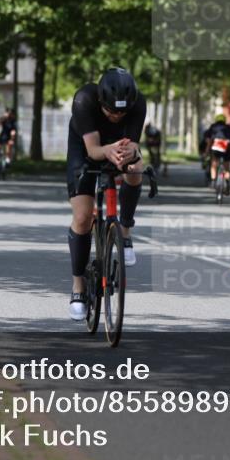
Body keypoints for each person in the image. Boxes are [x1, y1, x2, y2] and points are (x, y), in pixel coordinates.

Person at [65, 67, 147, 321]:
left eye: (121, 113)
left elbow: (134, 146)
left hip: (118, 146)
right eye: (110, 111)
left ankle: (125, 232)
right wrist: (108, 151)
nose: (116, 116)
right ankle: (78, 285)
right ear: (100, 101)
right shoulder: (84, 100)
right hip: (85, 149)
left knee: (137, 169)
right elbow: (93, 151)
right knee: (82, 217)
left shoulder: (138, 103)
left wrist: (131, 155)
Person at [205, 113, 230, 195]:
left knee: (214, 164)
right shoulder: (229, 128)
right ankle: (227, 183)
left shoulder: (213, 127)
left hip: (216, 146)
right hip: (227, 148)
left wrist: (207, 151)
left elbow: (209, 141)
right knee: (227, 167)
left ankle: (213, 181)